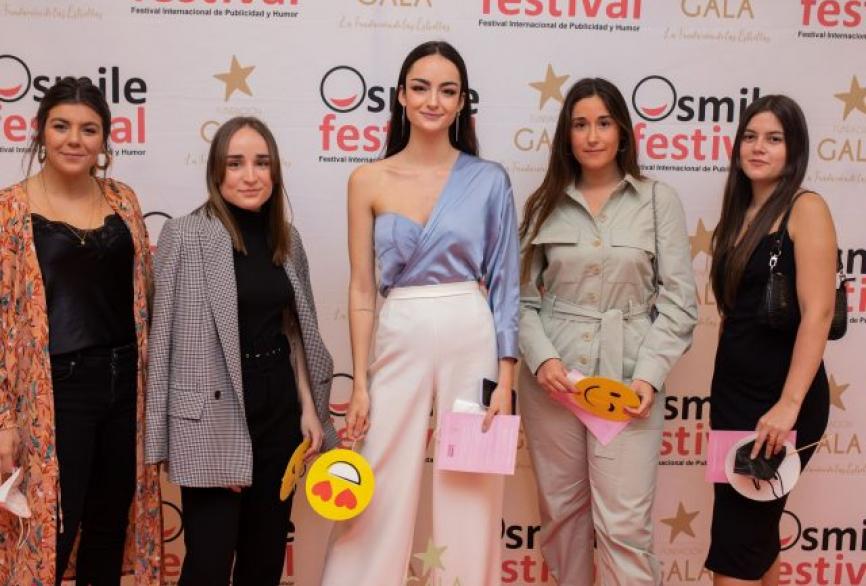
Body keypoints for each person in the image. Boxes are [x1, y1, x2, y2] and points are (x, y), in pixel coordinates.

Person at [320, 40, 520, 586]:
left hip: (471, 330)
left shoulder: (490, 179)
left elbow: (506, 283)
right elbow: (362, 289)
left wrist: (505, 380)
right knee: (377, 473)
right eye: (422, 87)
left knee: (471, 479)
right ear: (401, 96)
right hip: (399, 327)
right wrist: (361, 383)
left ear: (461, 104)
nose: (434, 100)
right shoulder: (367, 179)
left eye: (447, 91)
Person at [517, 77, 698, 585]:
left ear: (622, 132)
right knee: (562, 516)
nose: (592, 136)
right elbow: (519, 299)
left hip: (628, 381)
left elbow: (680, 302)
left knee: (624, 526)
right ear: (566, 135)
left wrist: (649, 375)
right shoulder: (543, 204)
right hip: (553, 381)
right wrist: (543, 359)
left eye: (603, 123)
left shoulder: (657, 199)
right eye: (580, 125)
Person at [144, 116, 337, 586]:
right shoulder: (185, 235)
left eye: (261, 163)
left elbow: (295, 330)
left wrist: (310, 410)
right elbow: (162, 341)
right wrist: (165, 440)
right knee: (208, 566)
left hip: (278, 411)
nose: (250, 176)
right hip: (212, 415)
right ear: (216, 172)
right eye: (235, 164)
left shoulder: (286, 239)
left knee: (264, 561)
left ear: (275, 171)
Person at [0, 77, 162, 585]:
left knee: (110, 526)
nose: (75, 139)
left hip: (125, 386)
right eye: (62, 126)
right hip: (55, 392)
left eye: (88, 129)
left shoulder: (124, 200)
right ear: (40, 132)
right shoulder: (9, 210)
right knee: (52, 531)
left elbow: (145, 297)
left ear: (104, 140)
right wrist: (4, 419)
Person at [704, 95, 834, 585]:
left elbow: (819, 313)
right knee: (754, 538)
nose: (758, 148)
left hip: (780, 403)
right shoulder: (737, 215)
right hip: (733, 400)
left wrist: (788, 405)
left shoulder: (806, 208)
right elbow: (733, 316)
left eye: (774, 139)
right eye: (750, 137)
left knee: (735, 548)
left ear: (793, 149)